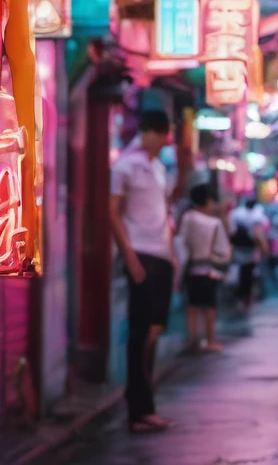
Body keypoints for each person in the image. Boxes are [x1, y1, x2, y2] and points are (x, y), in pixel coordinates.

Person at [109, 109, 175, 434]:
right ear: (148, 132)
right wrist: (130, 258)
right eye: (161, 134)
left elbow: (164, 212)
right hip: (141, 255)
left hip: (162, 256)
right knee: (140, 334)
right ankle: (137, 411)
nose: (164, 141)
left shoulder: (159, 167)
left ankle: (144, 407)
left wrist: (172, 254)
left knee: (153, 332)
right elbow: (112, 214)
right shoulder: (124, 165)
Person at [178, 184, 231, 352]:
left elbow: (182, 242)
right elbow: (223, 248)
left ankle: (193, 340)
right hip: (210, 270)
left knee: (192, 306)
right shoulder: (214, 223)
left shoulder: (188, 217)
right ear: (208, 200)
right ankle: (210, 340)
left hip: (192, 268)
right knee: (209, 306)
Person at [229, 198, 267, 317]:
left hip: (238, 251)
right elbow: (258, 235)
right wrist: (262, 250)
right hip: (250, 252)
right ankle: (248, 302)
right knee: (249, 278)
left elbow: (231, 233)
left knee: (241, 278)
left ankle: (241, 302)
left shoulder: (236, 214)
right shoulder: (256, 216)